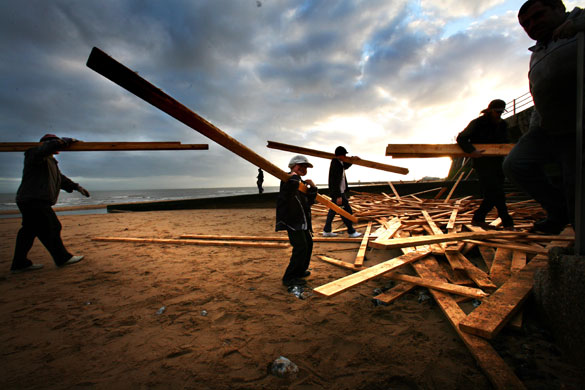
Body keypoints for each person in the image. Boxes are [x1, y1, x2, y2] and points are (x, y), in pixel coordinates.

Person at [503, 0, 585, 234]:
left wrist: (578, 25)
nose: (532, 25)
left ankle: (579, 247)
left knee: (575, 185)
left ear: (559, 9)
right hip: (547, 126)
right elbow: (538, 90)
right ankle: (559, 211)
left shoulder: (578, 27)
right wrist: (534, 125)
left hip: (577, 123)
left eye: (538, 16)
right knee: (515, 164)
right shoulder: (538, 51)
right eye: (526, 23)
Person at [10, 134, 90, 273]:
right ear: (46, 144)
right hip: (34, 199)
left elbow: (61, 179)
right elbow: (48, 147)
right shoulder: (34, 154)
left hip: (30, 200)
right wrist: (66, 141)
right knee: (52, 226)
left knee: (28, 231)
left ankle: (19, 263)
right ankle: (62, 258)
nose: (58, 148)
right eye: (54, 144)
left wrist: (76, 187)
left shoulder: (51, 162)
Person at [457, 99, 514, 229]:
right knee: (497, 192)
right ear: (490, 110)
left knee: (494, 193)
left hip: (498, 162)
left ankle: (479, 218)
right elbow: (461, 138)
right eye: (496, 112)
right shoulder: (478, 123)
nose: (498, 115)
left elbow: (506, 141)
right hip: (482, 163)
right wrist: (472, 151)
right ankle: (507, 222)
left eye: (501, 112)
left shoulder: (503, 125)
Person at [275, 155, 318, 287]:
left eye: (305, 167)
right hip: (292, 221)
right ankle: (289, 277)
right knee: (300, 247)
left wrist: (313, 188)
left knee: (308, 245)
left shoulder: (300, 183)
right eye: (300, 166)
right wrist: (293, 177)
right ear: (292, 166)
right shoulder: (287, 179)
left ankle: (300, 271)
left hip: (303, 221)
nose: (303, 169)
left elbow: (309, 202)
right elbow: (287, 195)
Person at [322, 146, 361, 238]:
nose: (345, 157)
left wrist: (353, 160)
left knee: (333, 211)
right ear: (341, 155)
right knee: (346, 212)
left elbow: (345, 166)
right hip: (338, 193)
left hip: (340, 192)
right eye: (345, 155)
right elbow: (334, 181)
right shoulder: (336, 164)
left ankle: (326, 230)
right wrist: (338, 196)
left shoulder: (339, 163)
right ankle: (351, 232)